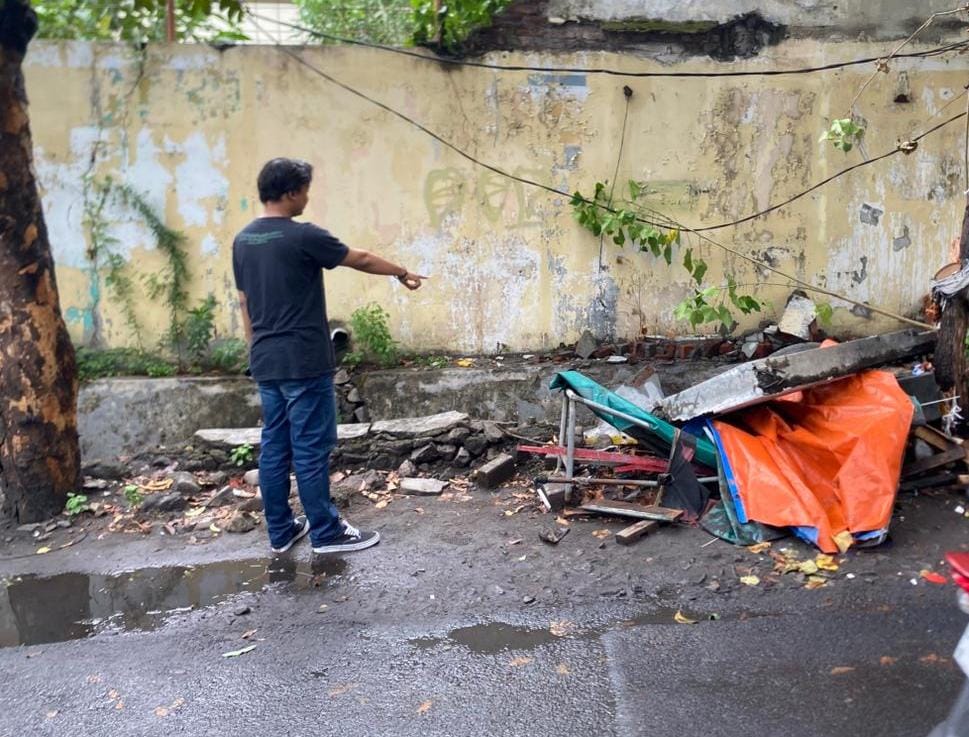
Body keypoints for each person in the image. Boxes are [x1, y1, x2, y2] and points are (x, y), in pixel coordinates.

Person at [233, 158, 425, 554]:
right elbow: (361, 258)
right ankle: (325, 531)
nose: (306, 197)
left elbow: (244, 302)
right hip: (303, 360)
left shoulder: (243, 240)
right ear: (289, 193)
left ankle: (281, 531)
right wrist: (401, 271)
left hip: (266, 360)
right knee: (310, 446)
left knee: (275, 446)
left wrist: (255, 351)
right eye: (303, 190)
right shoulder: (301, 236)